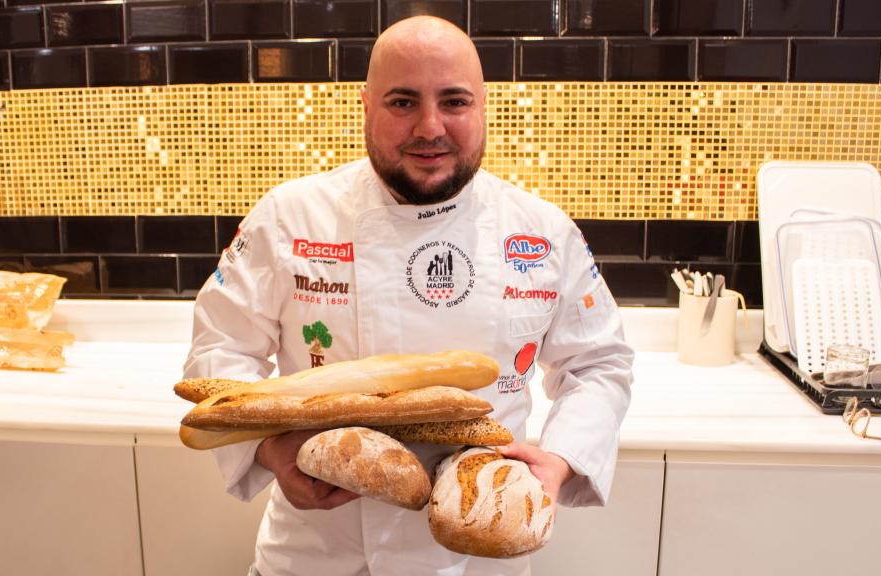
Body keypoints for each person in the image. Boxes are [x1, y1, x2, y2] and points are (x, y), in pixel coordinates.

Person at [184, 15, 633, 576]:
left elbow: (599, 364)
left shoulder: (543, 232)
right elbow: (220, 355)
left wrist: (560, 460)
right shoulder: (290, 217)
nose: (430, 127)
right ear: (367, 106)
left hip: (474, 552)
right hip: (314, 552)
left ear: (483, 106)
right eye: (402, 102)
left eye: (454, 101)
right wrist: (271, 450)